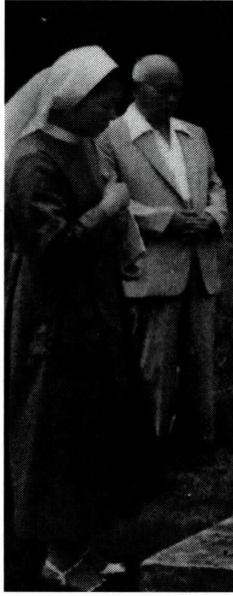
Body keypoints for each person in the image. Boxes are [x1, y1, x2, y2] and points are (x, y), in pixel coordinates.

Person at [5, 45, 140, 590]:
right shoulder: (33, 160)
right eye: (104, 104)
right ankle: (55, 556)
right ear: (72, 99)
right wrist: (107, 210)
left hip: (92, 309)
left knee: (92, 427)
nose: (112, 115)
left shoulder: (81, 148)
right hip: (53, 314)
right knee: (55, 429)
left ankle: (82, 542)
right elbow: (51, 247)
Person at [97, 55, 228, 450]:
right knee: (154, 361)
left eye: (177, 91)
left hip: (200, 265)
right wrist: (164, 221)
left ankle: (200, 439)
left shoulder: (194, 133)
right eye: (163, 91)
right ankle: (151, 446)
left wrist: (213, 217)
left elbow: (215, 185)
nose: (172, 99)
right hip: (150, 264)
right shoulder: (111, 136)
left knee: (201, 359)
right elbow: (107, 198)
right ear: (137, 89)